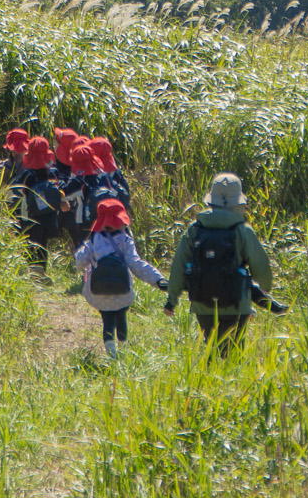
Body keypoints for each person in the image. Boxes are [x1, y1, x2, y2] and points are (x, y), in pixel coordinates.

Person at [164, 172, 273, 354]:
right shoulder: (243, 231)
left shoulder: (195, 229)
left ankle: (209, 371)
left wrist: (171, 301)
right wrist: (264, 292)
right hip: (237, 303)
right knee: (234, 352)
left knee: (211, 348)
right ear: (239, 203)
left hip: (202, 303)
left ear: (211, 200)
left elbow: (179, 266)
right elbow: (261, 268)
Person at [73, 197, 168, 362]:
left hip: (100, 290)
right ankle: (123, 350)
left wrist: (83, 267)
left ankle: (112, 356)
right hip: (122, 288)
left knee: (107, 320)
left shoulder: (94, 239)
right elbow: (136, 263)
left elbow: (80, 260)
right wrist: (158, 280)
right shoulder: (125, 240)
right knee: (121, 317)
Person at [9, 136, 65, 275]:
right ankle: (42, 272)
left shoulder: (27, 175)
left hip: (31, 216)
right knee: (43, 245)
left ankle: (33, 272)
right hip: (49, 216)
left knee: (30, 243)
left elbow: (15, 190)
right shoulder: (52, 172)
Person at [62, 143, 101, 250]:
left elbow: (64, 194)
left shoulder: (79, 181)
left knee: (84, 250)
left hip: (84, 221)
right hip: (101, 219)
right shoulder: (101, 176)